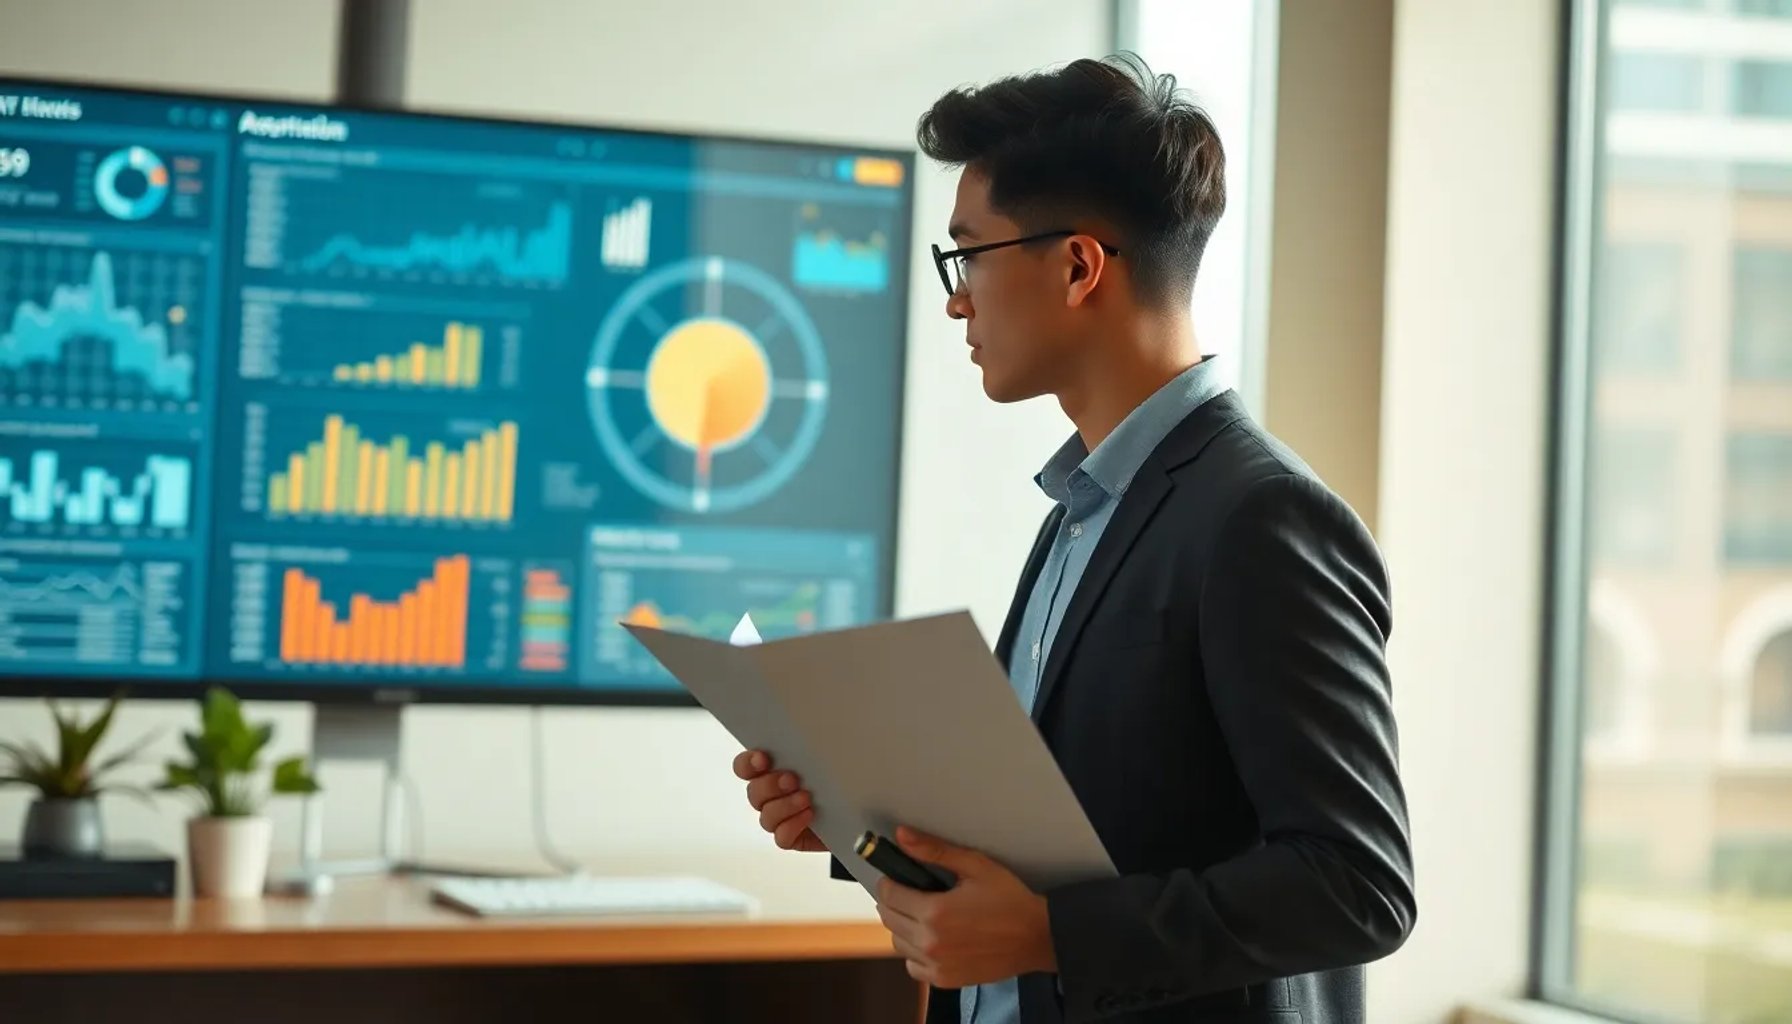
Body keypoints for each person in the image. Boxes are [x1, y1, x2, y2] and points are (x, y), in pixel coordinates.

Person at [731, 53, 1415, 1024]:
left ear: (1077, 264)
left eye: (967, 254)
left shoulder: (1260, 518)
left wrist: (1052, 933)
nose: (954, 299)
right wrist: (852, 825)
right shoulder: (1083, 507)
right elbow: (1081, 829)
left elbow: (1355, 882)